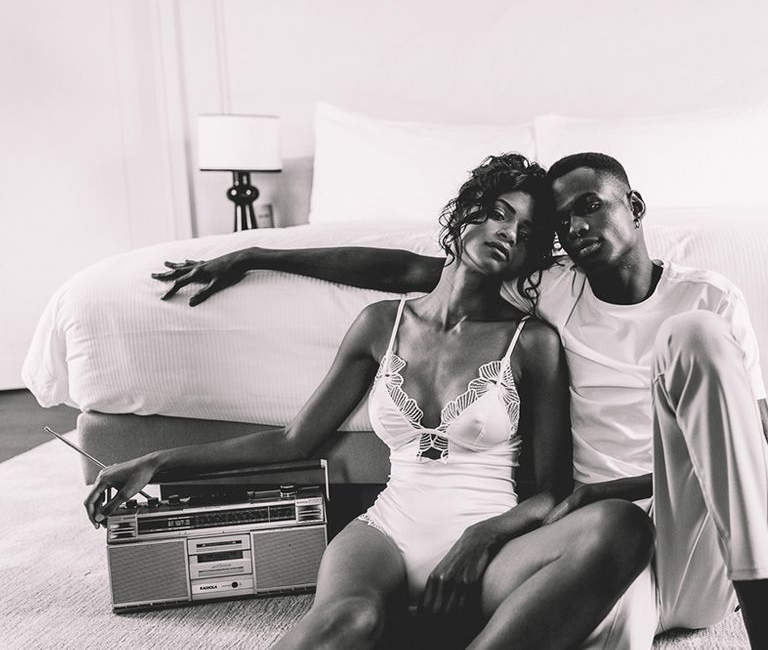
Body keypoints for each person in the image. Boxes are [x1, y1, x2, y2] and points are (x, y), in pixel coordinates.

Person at [155, 151, 768, 649]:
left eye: (588, 208)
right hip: (492, 534)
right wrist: (259, 253)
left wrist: (586, 498)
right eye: (558, 222)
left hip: (656, 527)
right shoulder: (553, 289)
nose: (576, 229)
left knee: (687, 349)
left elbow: (750, 437)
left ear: (632, 207)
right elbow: (405, 271)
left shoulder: (693, 301)